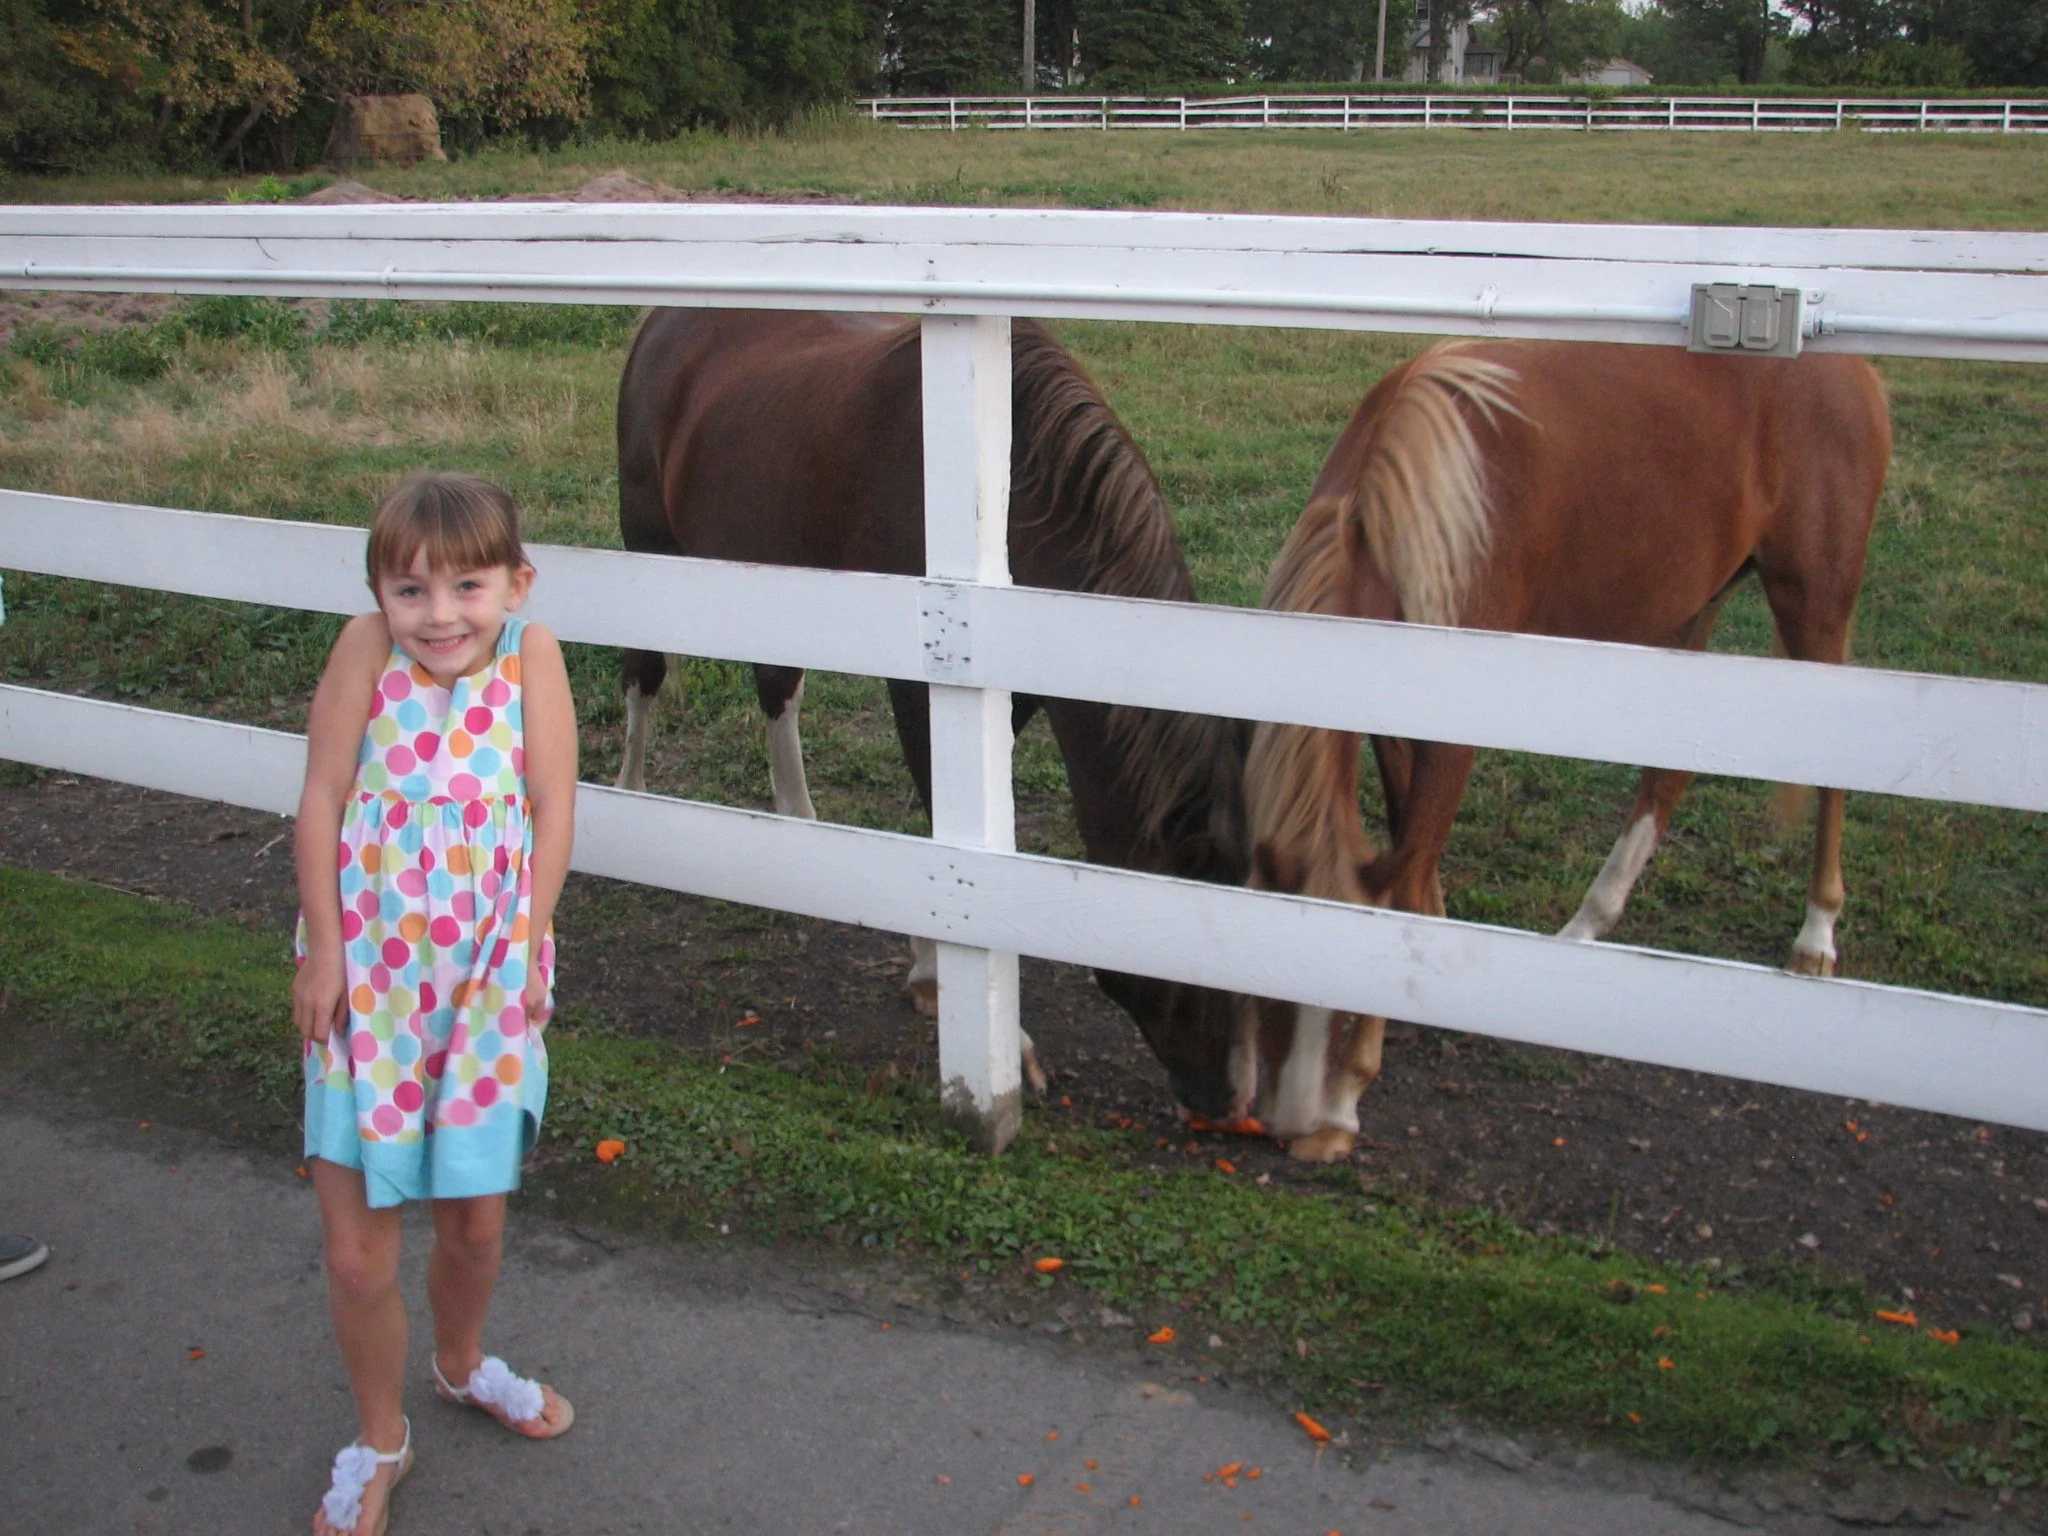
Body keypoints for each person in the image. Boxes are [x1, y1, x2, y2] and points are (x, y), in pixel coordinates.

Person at [294, 472, 578, 1536]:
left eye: (467, 586)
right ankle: (378, 1438)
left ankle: (459, 1365)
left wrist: (526, 949)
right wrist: (324, 951)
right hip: (365, 983)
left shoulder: (531, 658)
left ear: (516, 582)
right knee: (355, 1248)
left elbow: (552, 811)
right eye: (409, 592)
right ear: (378, 593)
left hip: (483, 986)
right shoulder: (364, 652)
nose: (440, 614)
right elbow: (321, 799)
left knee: (472, 1223)